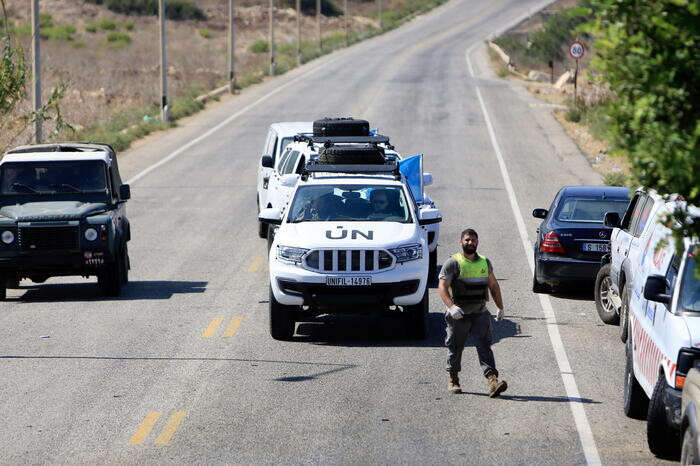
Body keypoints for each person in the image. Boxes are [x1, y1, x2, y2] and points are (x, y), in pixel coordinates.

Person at [438, 228, 508, 397]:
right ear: (461, 242)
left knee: (485, 346)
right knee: (455, 347)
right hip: (459, 314)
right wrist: (450, 307)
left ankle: (492, 381)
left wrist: (500, 307)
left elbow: (493, 286)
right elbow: (442, 287)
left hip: (480, 313)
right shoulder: (452, 263)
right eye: (467, 240)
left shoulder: (485, 262)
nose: (470, 243)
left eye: (473, 240)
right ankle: (454, 379)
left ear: (477, 242)